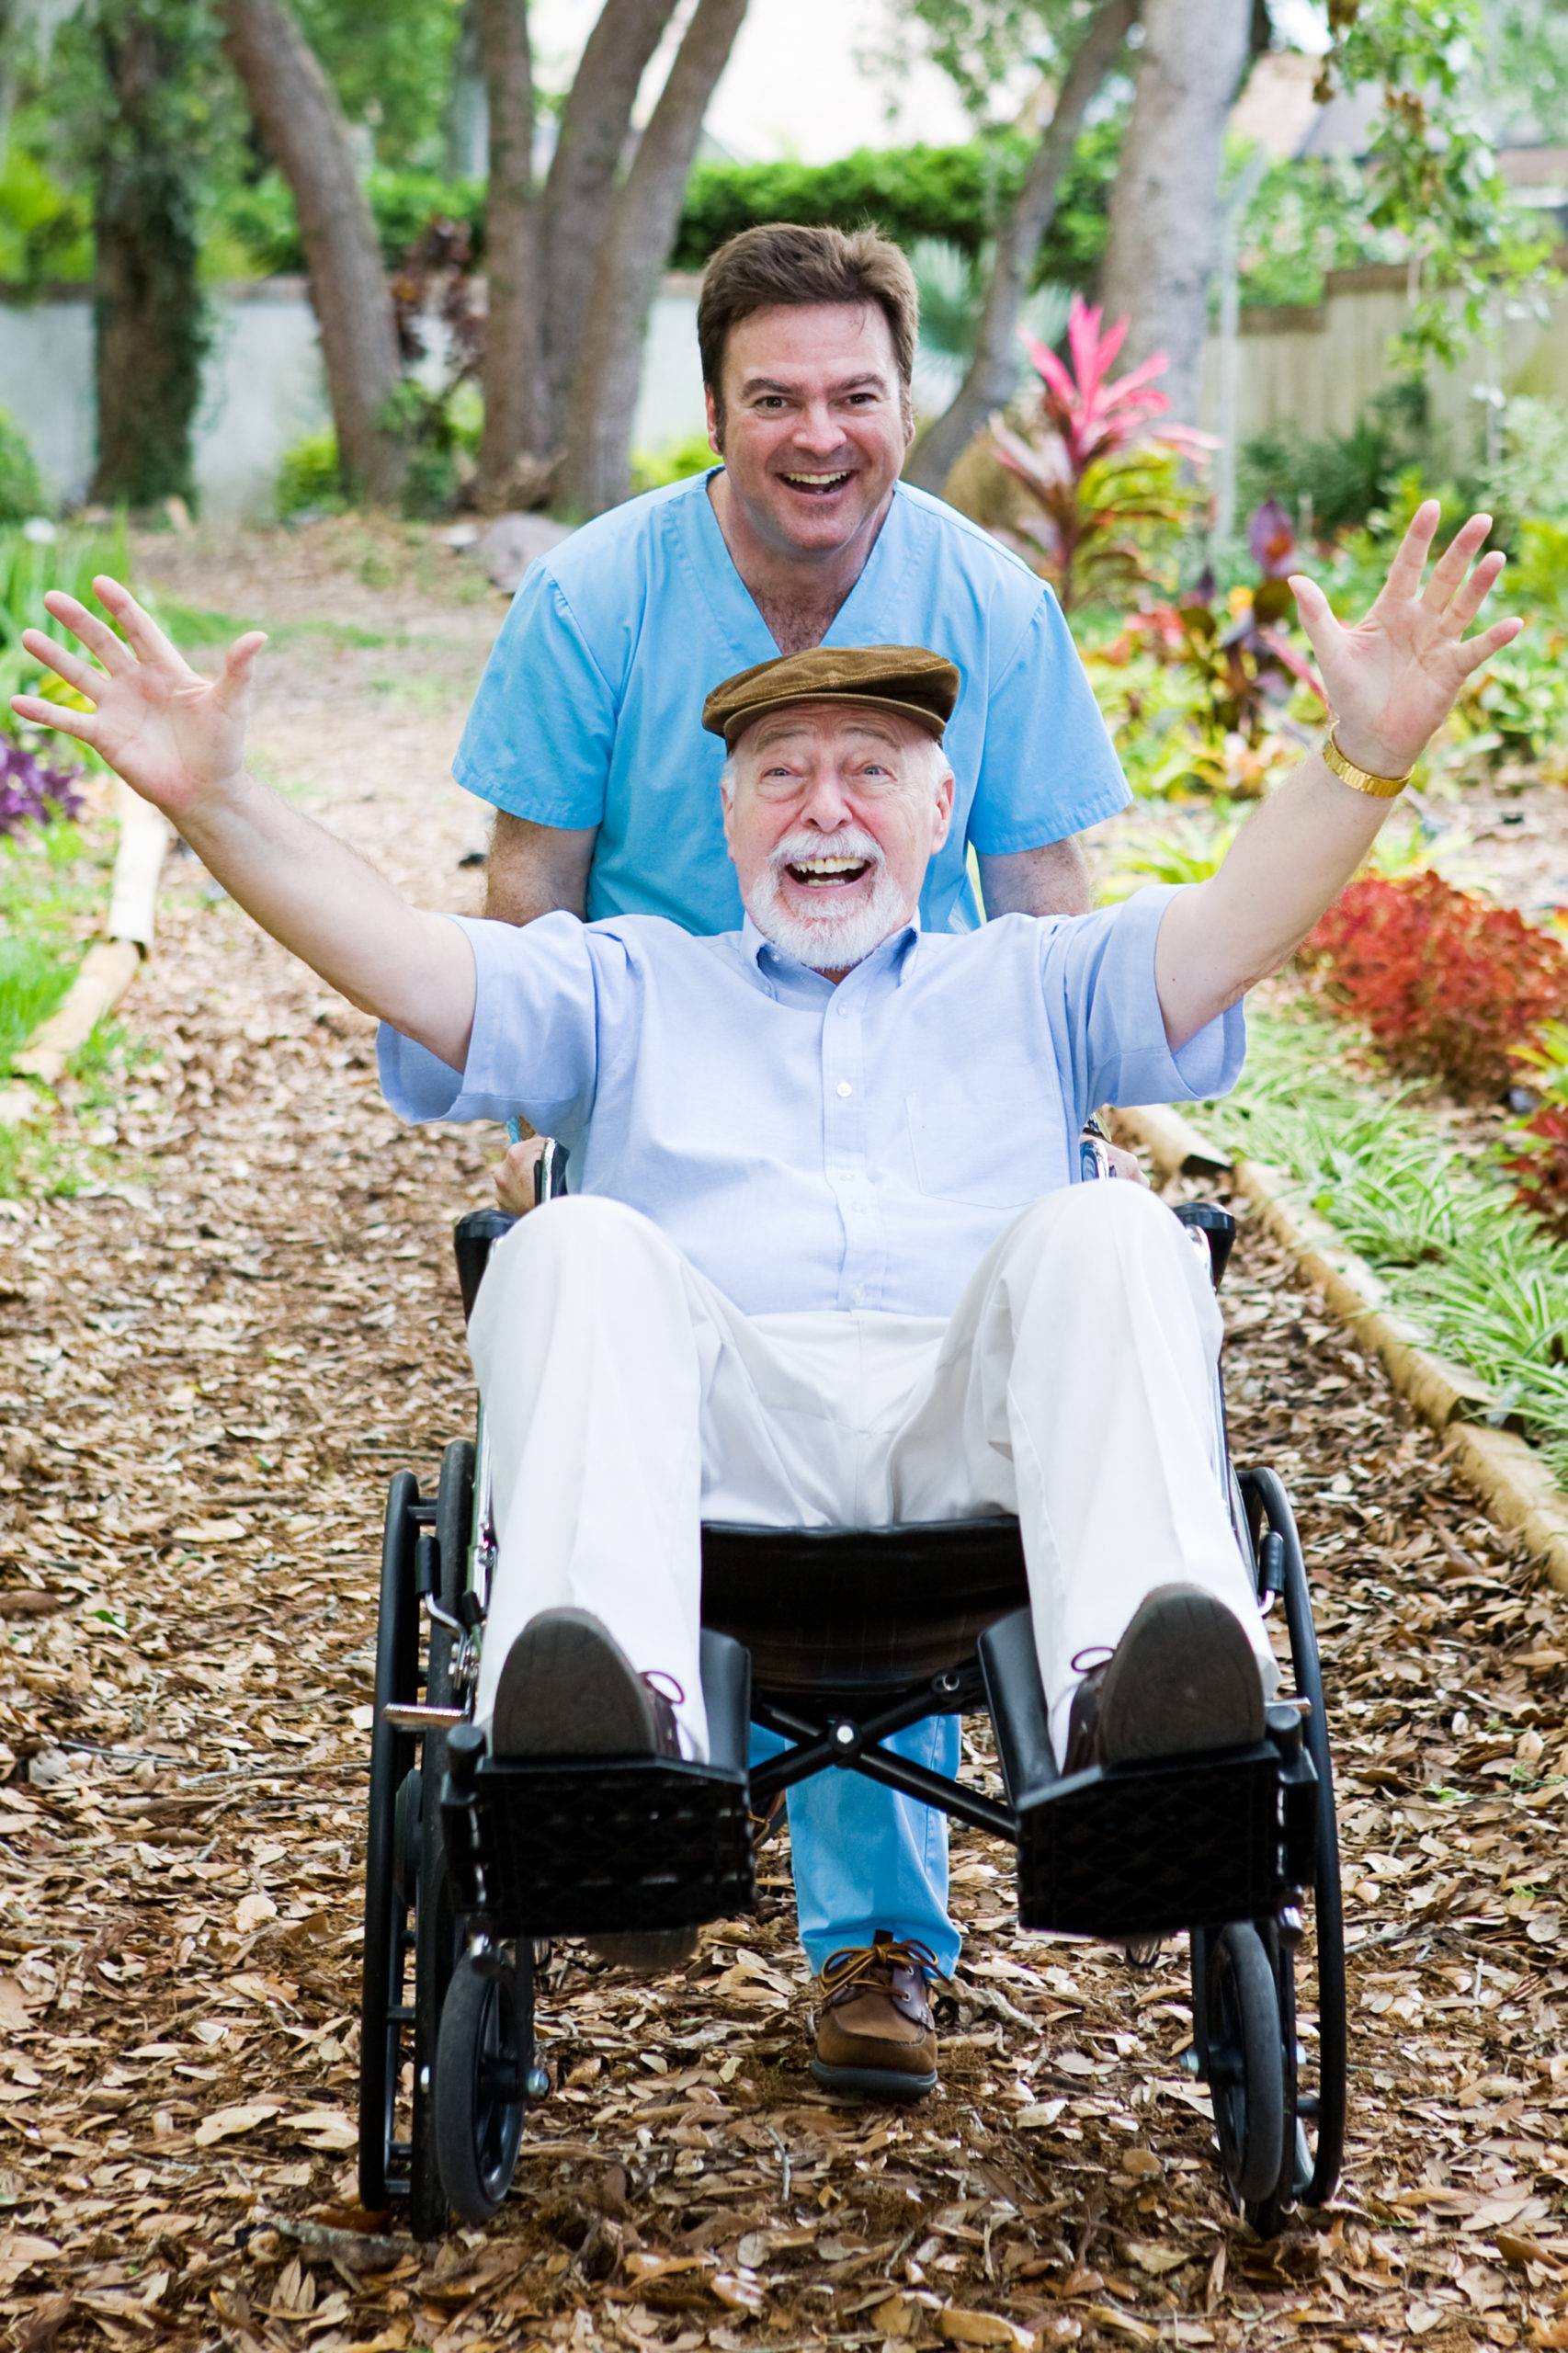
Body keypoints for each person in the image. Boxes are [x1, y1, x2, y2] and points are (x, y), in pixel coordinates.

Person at [14, 500, 1517, 2097]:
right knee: (568, 1245)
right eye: (783, 774)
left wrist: (1361, 755)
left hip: (977, 1452)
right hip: (713, 1460)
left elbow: (1227, 932)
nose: (826, 808)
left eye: (870, 771)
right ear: (725, 813)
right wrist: (222, 800)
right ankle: (609, 1731)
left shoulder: (1037, 981)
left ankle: (1140, 1723)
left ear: (941, 808)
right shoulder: (624, 985)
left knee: (1117, 1229)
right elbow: (406, 959)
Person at [457, 221, 1137, 2015]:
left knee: (904, 1313)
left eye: (854, 393)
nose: (817, 432)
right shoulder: (592, 605)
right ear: (713, 412)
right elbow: (526, 897)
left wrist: (1075, 1132)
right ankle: (625, 1782)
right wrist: (545, 1107)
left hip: (922, 1125)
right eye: (775, 397)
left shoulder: (988, 603)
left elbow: (1051, 894)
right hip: (670, 1111)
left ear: (909, 399)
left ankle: (877, 1945)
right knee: (624, 1286)